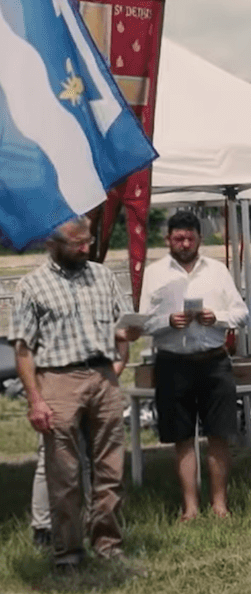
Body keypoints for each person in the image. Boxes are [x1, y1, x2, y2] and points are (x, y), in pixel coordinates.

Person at [11, 218, 133, 569]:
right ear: (53, 245)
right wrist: (35, 400)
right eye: (76, 243)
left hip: (103, 376)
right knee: (63, 472)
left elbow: (119, 326)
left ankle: (108, 544)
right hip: (57, 379)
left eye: (88, 241)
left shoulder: (102, 276)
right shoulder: (32, 286)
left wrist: (125, 347)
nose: (85, 248)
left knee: (110, 469)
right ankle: (68, 552)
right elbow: (23, 350)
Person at [141, 210, 248, 521]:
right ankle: (190, 507)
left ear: (200, 238)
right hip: (173, 363)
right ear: (168, 240)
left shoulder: (216, 271)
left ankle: (220, 505)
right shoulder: (155, 273)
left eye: (190, 237)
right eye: (178, 238)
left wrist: (219, 318)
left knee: (219, 434)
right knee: (182, 437)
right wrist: (166, 322)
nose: (184, 243)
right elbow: (142, 321)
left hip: (213, 361)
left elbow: (241, 313)